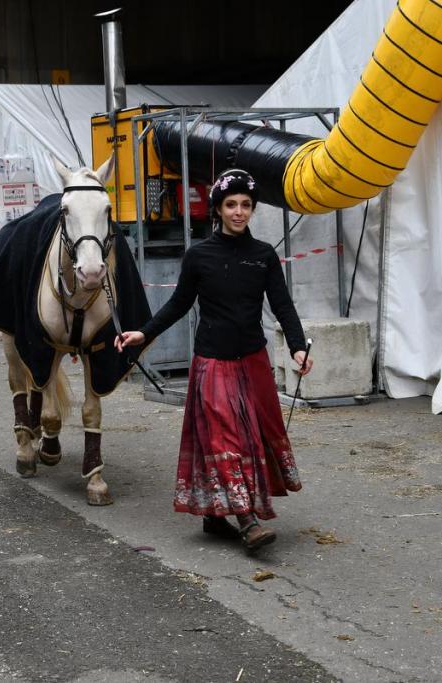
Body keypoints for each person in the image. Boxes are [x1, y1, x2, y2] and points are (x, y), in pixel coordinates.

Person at [115, 168, 313, 552]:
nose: (239, 212)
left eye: (245, 205)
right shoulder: (199, 255)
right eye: (231, 205)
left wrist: (297, 347)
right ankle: (247, 521)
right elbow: (178, 304)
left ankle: (214, 515)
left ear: (252, 209)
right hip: (213, 363)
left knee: (251, 439)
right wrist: (144, 333)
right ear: (218, 209)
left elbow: (283, 305)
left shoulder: (263, 256)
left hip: (253, 362)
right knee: (227, 440)